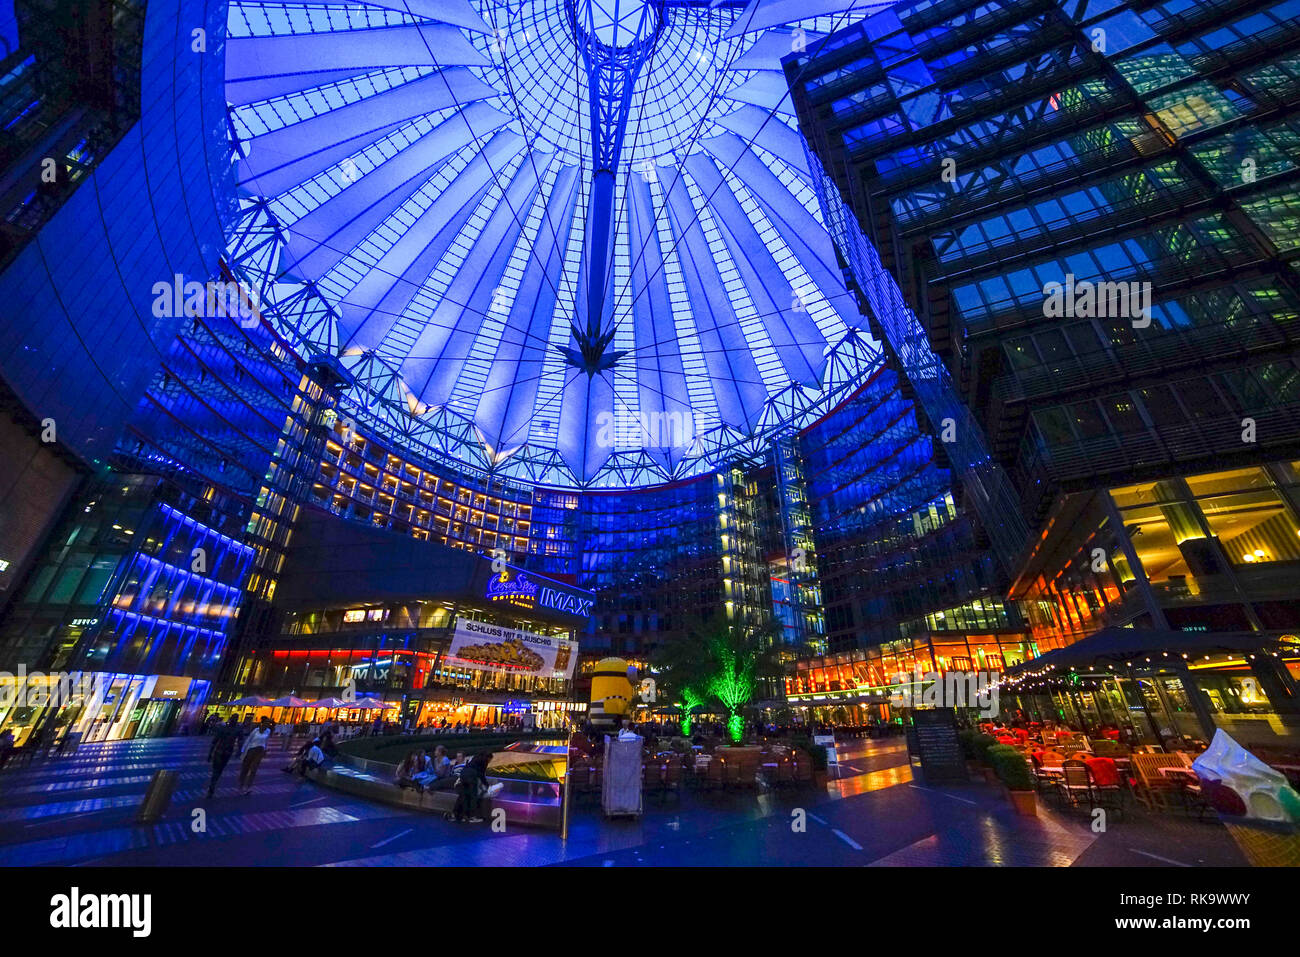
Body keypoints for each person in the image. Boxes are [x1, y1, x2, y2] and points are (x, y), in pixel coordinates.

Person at [448, 751, 491, 823]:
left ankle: (455, 814)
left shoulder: (475, 758)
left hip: (464, 775)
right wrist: (487, 785)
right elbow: (482, 774)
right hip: (471, 777)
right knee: (473, 796)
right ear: (489, 758)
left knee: (463, 795)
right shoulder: (484, 761)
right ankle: (471, 816)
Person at [207, 715, 242, 798]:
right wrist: (210, 753)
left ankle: (213, 783)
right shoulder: (225, 729)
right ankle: (213, 784)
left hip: (226, 752)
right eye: (233, 719)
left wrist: (239, 751)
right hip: (221, 751)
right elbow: (214, 741)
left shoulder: (236, 729)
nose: (234, 720)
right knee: (217, 769)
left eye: (235, 719)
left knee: (219, 769)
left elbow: (240, 740)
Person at [238, 717, 274, 795]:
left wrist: (265, 749)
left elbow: (266, 741)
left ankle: (248, 786)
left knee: (254, 768)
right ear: (262, 723)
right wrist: (243, 750)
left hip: (260, 750)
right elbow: (249, 740)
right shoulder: (256, 730)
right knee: (246, 767)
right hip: (251, 749)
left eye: (268, 723)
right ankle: (241, 782)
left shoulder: (268, 731)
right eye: (266, 723)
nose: (267, 725)